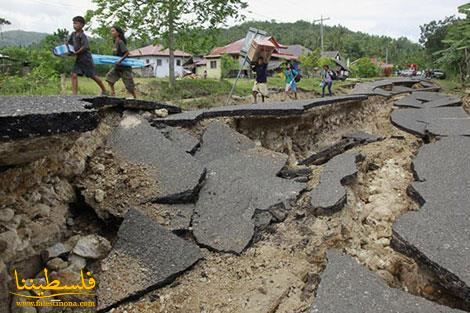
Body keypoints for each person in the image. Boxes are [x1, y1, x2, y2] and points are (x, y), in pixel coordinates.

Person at [67, 16, 108, 96]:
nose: (74, 25)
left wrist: (76, 53)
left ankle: (104, 90)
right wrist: (66, 51)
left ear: (82, 25)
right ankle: (74, 95)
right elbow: (69, 44)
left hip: (86, 59)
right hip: (79, 59)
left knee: (92, 76)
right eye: (73, 23)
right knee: (74, 74)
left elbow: (85, 47)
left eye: (76, 23)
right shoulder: (73, 34)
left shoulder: (82, 35)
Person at [105, 26, 137, 99]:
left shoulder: (120, 42)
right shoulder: (115, 42)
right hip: (117, 67)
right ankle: (113, 93)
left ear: (118, 33)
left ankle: (135, 97)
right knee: (109, 78)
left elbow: (127, 53)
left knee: (129, 86)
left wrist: (120, 60)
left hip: (125, 68)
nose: (111, 32)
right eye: (111, 31)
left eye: (113, 31)